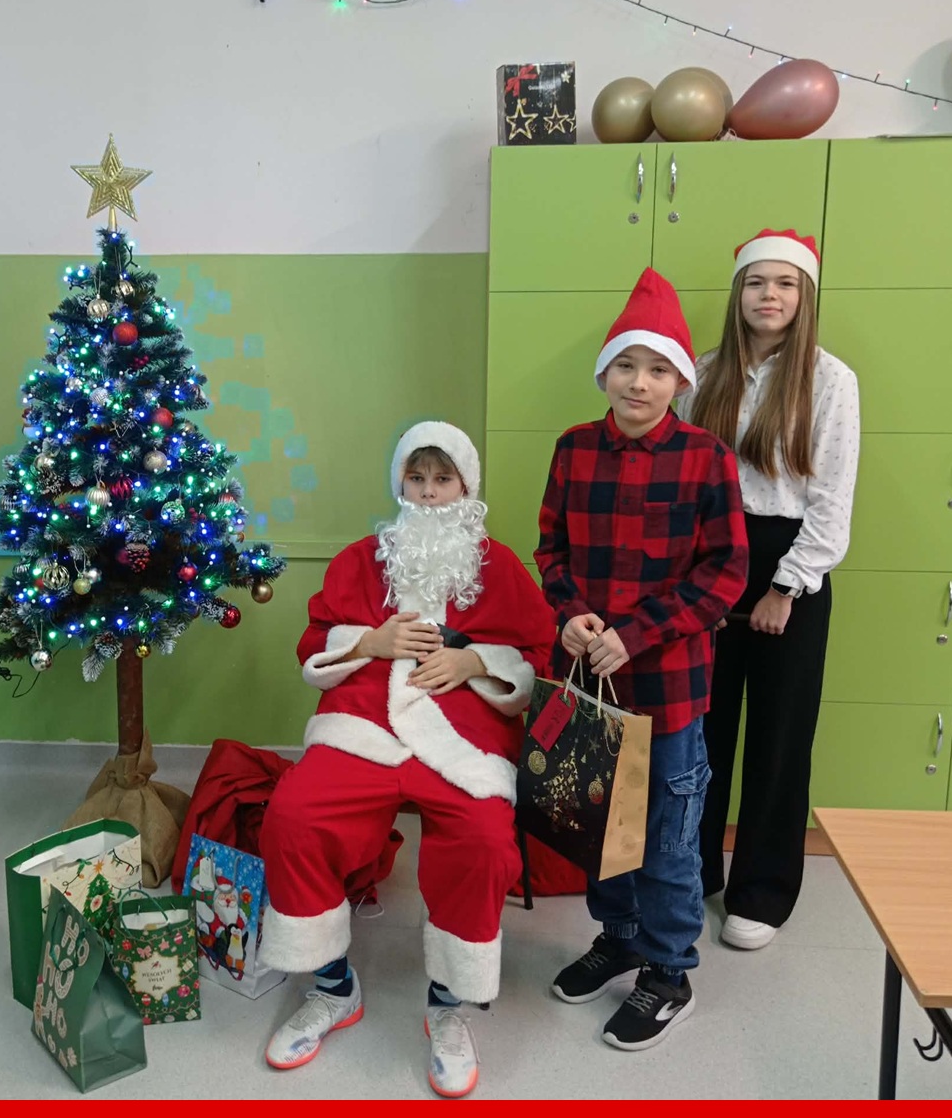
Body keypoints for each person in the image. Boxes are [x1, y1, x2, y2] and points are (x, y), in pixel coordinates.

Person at [258, 421, 556, 1098]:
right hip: (364, 722)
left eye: (442, 480)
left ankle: (448, 1004)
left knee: (484, 839)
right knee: (294, 816)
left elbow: (536, 655)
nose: (427, 494)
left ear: (466, 488)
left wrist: (476, 662)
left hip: (463, 733)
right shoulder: (361, 559)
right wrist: (370, 642)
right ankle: (332, 988)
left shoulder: (501, 567)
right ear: (400, 484)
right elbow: (314, 642)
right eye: (416, 479)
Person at [535, 267, 748, 1050]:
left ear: (680, 381)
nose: (639, 382)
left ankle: (669, 970)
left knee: (666, 837)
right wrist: (569, 612)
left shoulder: (706, 457)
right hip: (592, 687)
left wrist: (640, 630)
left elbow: (726, 571)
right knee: (603, 826)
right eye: (626, 365)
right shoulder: (572, 450)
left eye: (658, 369)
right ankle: (620, 938)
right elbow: (550, 549)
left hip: (670, 690)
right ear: (605, 372)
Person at [676, 229, 859, 951]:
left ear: (804, 296)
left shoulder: (830, 379)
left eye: (785, 283)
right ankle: (692, 870)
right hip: (712, 559)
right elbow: (684, 482)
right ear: (739, 293)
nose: (769, 295)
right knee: (703, 726)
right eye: (757, 282)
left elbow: (832, 497)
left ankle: (762, 890)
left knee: (779, 736)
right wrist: (692, 577)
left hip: (790, 563)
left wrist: (787, 586)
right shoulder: (703, 372)